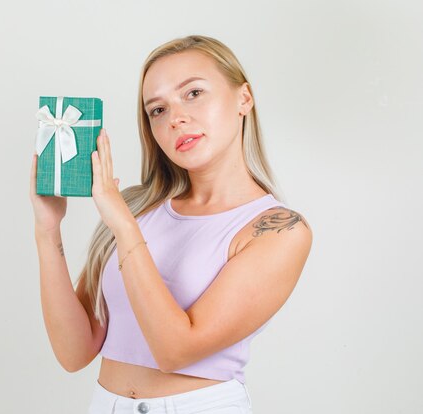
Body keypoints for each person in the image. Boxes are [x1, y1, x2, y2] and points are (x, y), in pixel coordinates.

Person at [30, 34, 312, 414]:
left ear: (243, 98)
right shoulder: (137, 206)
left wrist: (125, 226)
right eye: (157, 110)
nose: (176, 118)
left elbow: (175, 350)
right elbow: (74, 352)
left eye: (193, 93)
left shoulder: (280, 231)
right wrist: (48, 230)